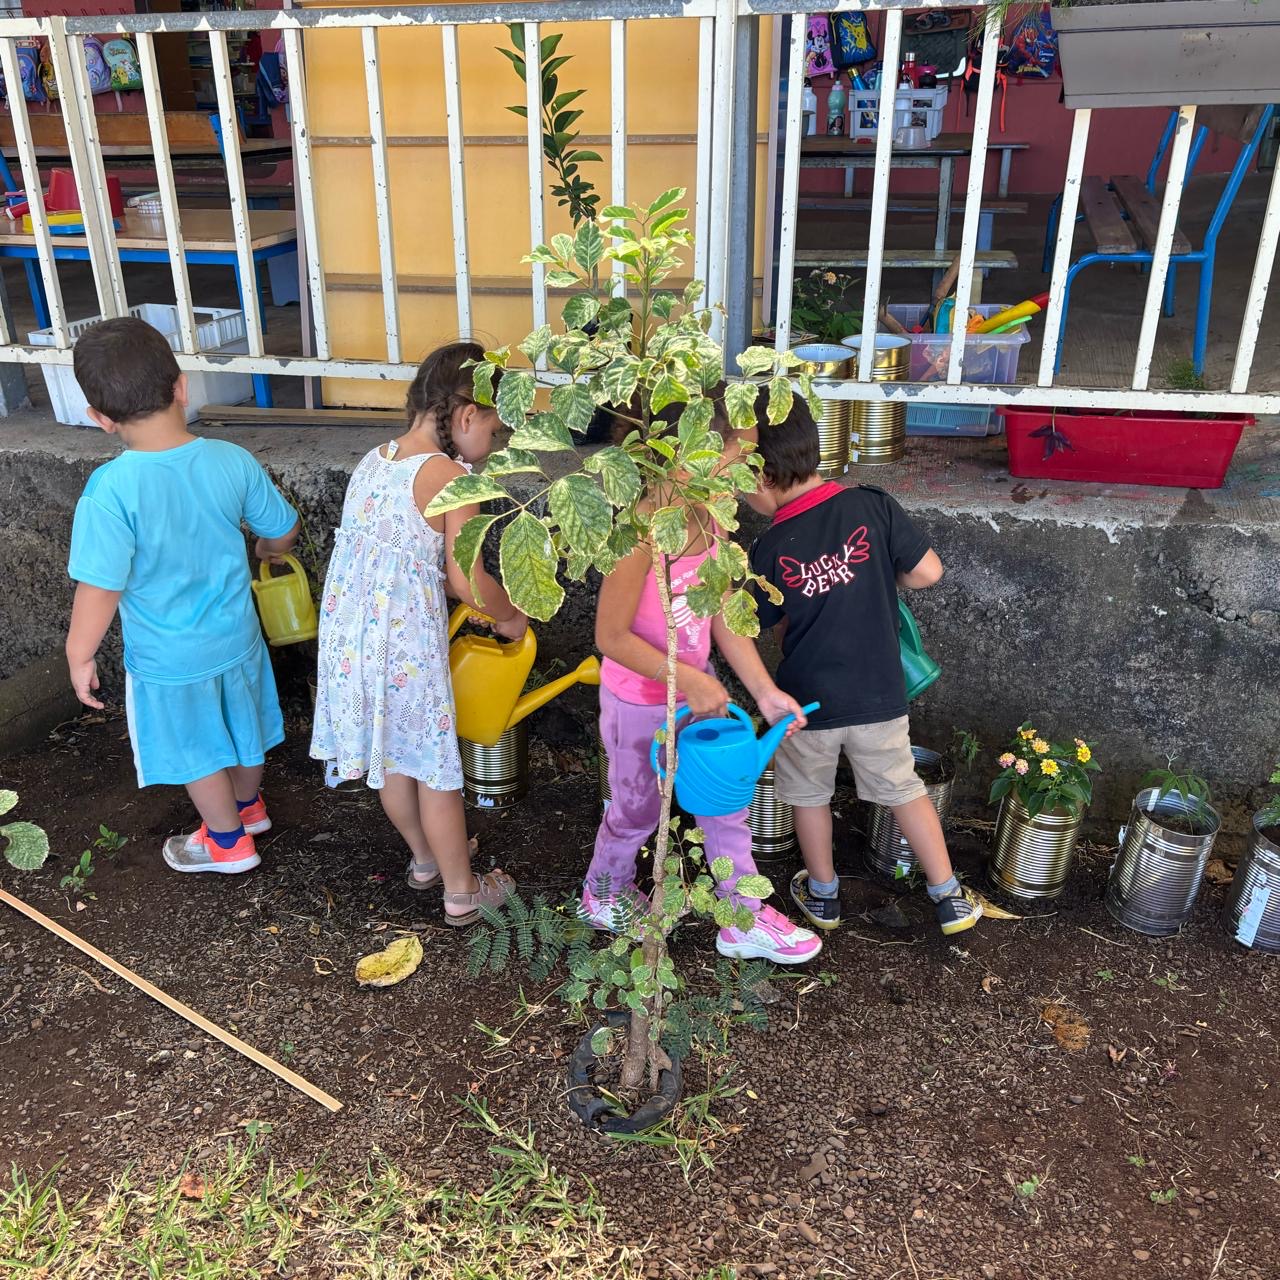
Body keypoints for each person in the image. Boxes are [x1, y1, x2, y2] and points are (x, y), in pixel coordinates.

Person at [584, 397, 823, 966]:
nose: (747, 464)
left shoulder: (713, 519)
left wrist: (763, 692)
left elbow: (721, 618)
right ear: (681, 452)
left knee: (725, 804)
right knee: (639, 808)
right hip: (640, 701)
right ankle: (604, 893)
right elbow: (610, 636)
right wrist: (686, 678)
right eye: (736, 450)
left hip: (697, 691)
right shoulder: (639, 532)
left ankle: (740, 915)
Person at [65, 317, 300, 875]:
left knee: (198, 751)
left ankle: (226, 843)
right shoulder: (230, 460)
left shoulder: (109, 493)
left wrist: (80, 655)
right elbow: (283, 527)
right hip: (238, 636)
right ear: (181, 386)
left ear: (100, 419)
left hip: (169, 659)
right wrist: (268, 548)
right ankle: (249, 808)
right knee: (241, 731)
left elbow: (100, 588)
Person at [744, 393, 982, 936]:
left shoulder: (771, 547)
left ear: (760, 476)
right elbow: (928, 573)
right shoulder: (873, 506)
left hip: (807, 700)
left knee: (809, 795)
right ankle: (947, 895)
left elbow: (751, 622)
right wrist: (875, 579)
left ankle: (824, 894)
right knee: (903, 788)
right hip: (879, 692)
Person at [310, 341, 525, 927]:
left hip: (350, 645)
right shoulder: (453, 478)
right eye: (496, 431)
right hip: (403, 651)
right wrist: (510, 615)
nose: (494, 446)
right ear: (466, 417)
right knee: (435, 770)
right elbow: (466, 580)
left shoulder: (373, 460)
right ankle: (462, 890)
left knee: (394, 760)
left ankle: (426, 859)